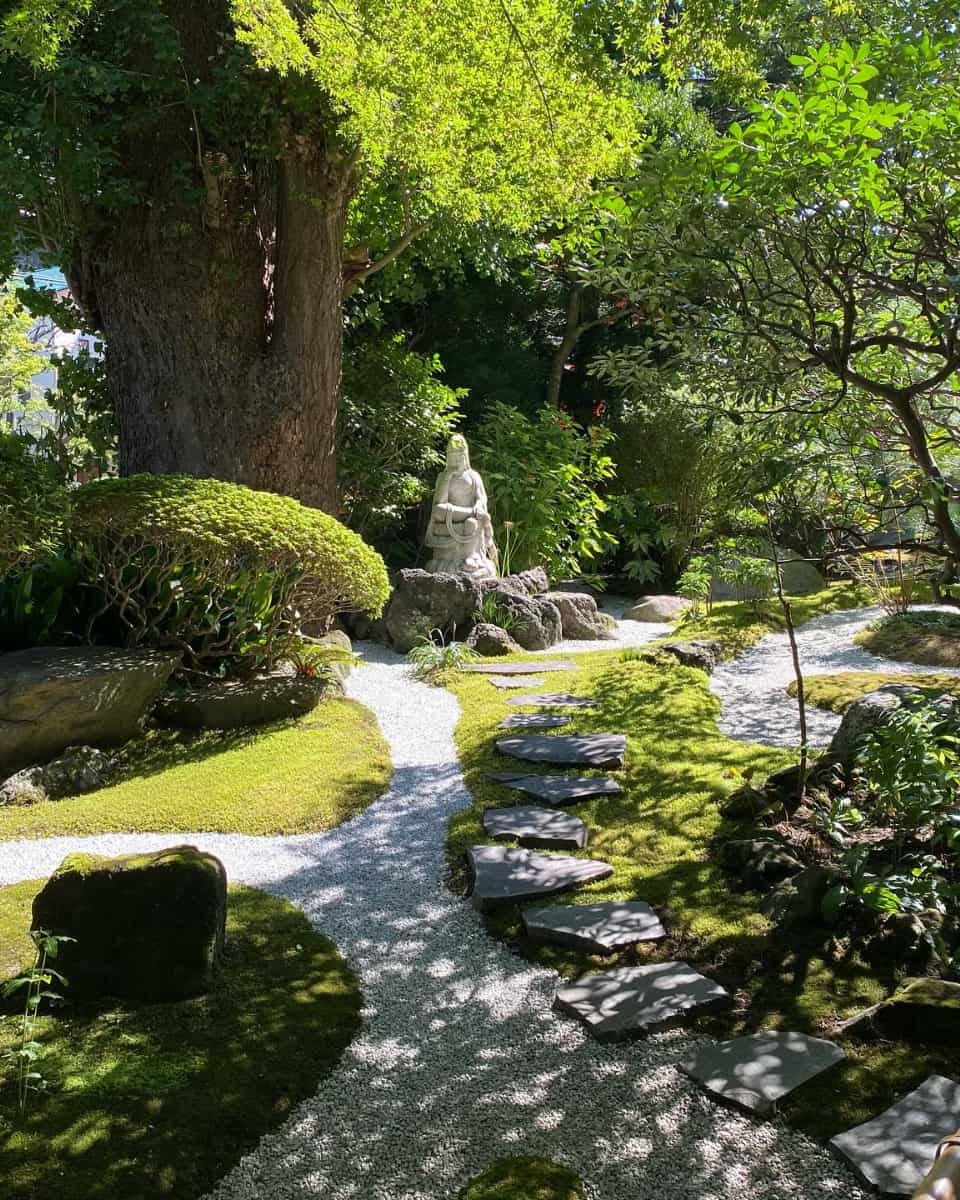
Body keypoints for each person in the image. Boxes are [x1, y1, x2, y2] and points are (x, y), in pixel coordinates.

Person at [424, 434, 499, 579]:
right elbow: (439, 501)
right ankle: (471, 514)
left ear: (465, 456)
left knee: (472, 522)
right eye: (452, 455)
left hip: (469, 516)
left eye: (459, 455)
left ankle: (471, 557)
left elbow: (481, 497)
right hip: (449, 514)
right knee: (439, 510)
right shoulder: (443, 476)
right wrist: (448, 477)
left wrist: (478, 505)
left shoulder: (473, 476)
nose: (456, 459)